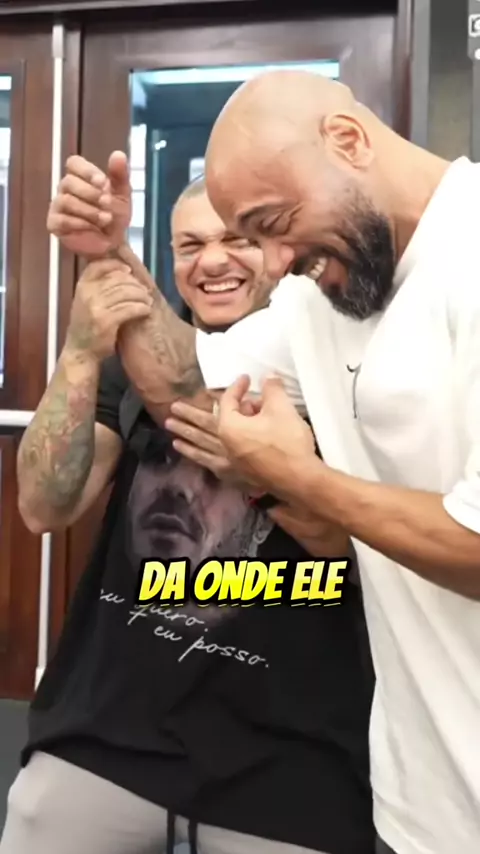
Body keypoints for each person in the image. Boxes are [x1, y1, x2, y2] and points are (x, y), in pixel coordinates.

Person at [41, 70, 480, 854]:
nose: (272, 264)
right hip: (420, 800)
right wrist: (113, 259)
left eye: (270, 225)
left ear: (347, 141)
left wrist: (295, 477)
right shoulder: (321, 296)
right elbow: (188, 379)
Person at [0, 176, 375, 854]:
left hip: (295, 764)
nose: (212, 261)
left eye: (237, 239)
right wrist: (82, 351)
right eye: (190, 245)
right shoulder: (131, 368)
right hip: (107, 740)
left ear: (279, 251)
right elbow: (43, 507)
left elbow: (349, 546)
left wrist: (266, 477)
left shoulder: (340, 365)